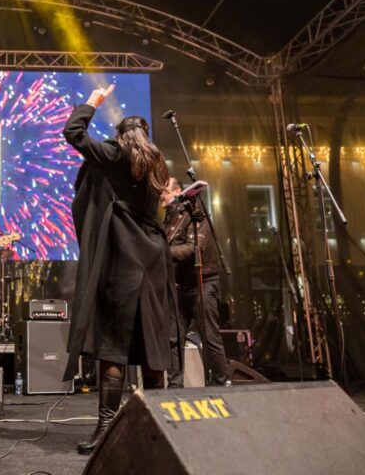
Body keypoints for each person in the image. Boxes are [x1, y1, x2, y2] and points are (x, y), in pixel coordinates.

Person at [62, 85, 178, 455]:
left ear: (122, 136)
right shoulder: (157, 165)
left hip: (122, 262)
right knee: (153, 348)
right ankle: (158, 430)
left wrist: (92, 102)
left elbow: (73, 133)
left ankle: (107, 428)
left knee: (112, 346)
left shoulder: (115, 154)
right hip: (153, 260)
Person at [161, 177, 229, 387]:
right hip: (179, 286)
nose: (160, 194)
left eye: (164, 190)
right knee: (174, 339)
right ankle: (175, 387)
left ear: (178, 191)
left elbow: (192, 249)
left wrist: (161, 251)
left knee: (210, 337)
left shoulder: (195, 213)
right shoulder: (169, 218)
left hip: (203, 283)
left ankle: (221, 383)